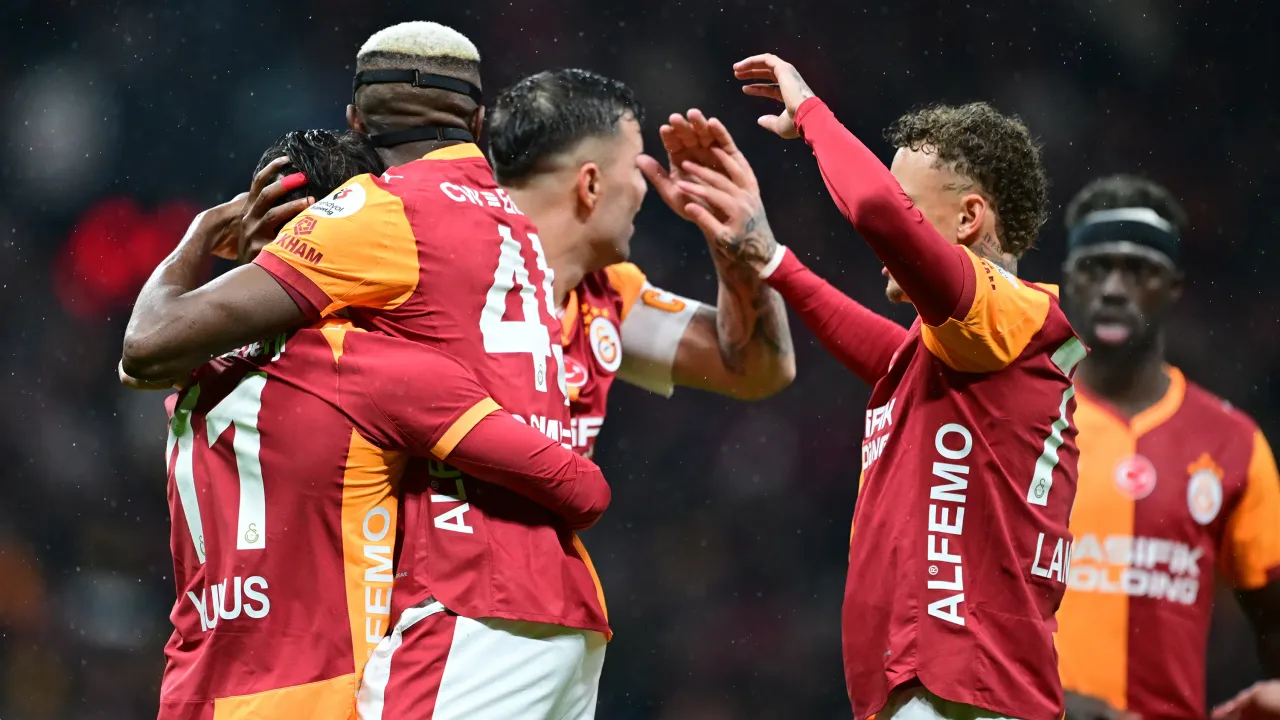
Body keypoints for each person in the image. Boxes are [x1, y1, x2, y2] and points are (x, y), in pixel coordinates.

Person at [121, 21, 609, 719]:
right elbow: (581, 488)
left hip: (204, 683)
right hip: (476, 608)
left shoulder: (197, 378)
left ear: (357, 118)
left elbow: (144, 350)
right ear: (477, 123)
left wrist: (200, 234)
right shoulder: (523, 230)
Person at [705, 53, 1083, 720]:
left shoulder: (1009, 310)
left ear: (968, 218)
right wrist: (771, 259)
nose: (892, 230)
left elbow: (875, 208)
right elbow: (888, 358)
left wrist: (811, 113)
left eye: (913, 206)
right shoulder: (968, 349)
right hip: (944, 685)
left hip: (965, 686)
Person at [1052, 175, 1280, 720]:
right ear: (1068, 279)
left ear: (1174, 285)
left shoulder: (1232, 442)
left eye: (1138, 270)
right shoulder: (1015, 422)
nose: (1113, 289)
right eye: (1096, 267)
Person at [483, 68, 794, 460]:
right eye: (635, 168)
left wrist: (736, 235)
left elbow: (758, 369)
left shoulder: (605, 294)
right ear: (591, 184)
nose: (644, 188)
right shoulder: (439, 284)